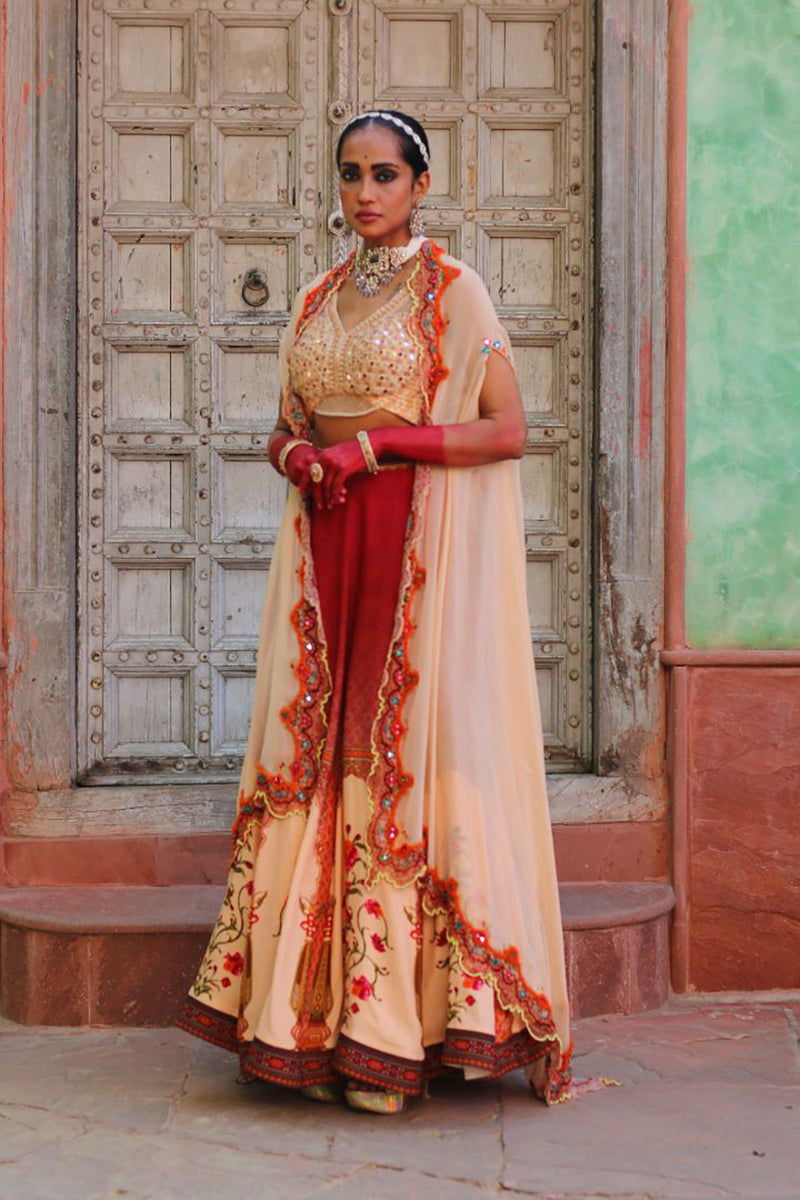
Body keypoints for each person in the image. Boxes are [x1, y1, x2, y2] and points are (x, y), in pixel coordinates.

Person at [177, 109, 573, 1113]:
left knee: (389, 759)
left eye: (385, 175)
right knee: (318, 758)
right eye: (351, 174)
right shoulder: (311, 299)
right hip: (326, 548)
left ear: (419, 183)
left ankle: (393, 1041)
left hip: (411, 554)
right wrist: (296, 456)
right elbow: (281, 427)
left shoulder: (452, 290)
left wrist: (378, 450)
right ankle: (309, 1030)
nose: (366, 192)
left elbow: (506, 432)